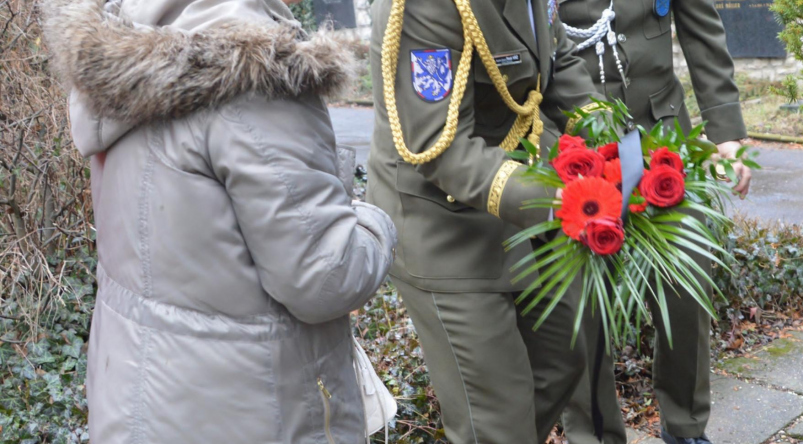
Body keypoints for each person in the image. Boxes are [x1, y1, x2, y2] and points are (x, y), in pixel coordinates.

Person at [44, 0, 398, 442]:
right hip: (256, 412)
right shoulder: (258, 76)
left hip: (139, 402)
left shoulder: (126, 39)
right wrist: (374, 222)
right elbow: (322, 277)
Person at [365, 0, 604, 440]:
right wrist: (563, 199)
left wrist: (612, 145)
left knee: (562, 360)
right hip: (445, 223)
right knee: (496, 419)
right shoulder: (424, 6)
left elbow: (559, 58)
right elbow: (439, 148)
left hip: (522, 198)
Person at [556, 0, 754, 442]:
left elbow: (701, 28)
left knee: (687, 281)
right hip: (575, 144)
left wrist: (726, 132)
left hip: (661, 132)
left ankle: (685, 427)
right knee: (584, 304)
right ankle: (595, 435)